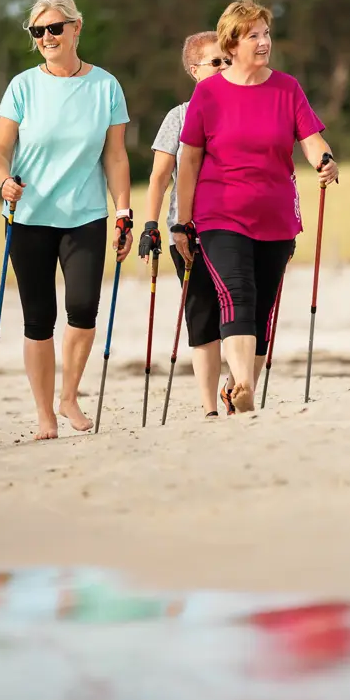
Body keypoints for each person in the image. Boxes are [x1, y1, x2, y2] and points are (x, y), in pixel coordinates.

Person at [172, 0, 339, 414]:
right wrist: (182, 221)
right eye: (253, 36)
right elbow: (189, 159)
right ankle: (244, 386)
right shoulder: (208, 94)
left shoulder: (287, 87)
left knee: (262, 308)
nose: (263, 42)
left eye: (266, 34)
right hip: (220, 215)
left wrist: (325, 160)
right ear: (231, 44)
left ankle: (239, 386)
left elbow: (311, 138)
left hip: (276, 217)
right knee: (238, 295)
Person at [0, 0, 134, 441]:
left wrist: (124, 211)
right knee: (38, 317)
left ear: (76, 27)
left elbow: (115, 158)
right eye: (39, 31)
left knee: (83, 309)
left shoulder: (105, 86)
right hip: (29, 214)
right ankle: (44, 415)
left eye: (55, 28)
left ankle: (68, 396)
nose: (47, 37)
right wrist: (3, 180)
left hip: (85, 214)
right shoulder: (22, 87)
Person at [139, 31, 232, 417]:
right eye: (216, 62)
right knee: (202, 313)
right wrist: (150, 224)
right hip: (188, 231)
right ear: (195, 71)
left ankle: (238, 386)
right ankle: (209, 406)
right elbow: (160, 176)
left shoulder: (241, 108)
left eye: (229, 60)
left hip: (233, 224)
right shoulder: (178, 116)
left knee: (242, 308)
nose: (225, 67)